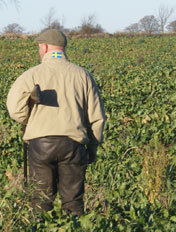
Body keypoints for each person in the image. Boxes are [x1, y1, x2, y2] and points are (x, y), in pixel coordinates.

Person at [6, 29, 106, 216]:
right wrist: (93, 147)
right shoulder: (83, 75)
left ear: (44, 47)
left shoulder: (30, 75)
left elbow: (15, 109)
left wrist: (31, 120)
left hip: (40, 146)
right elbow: (96, 117)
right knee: (73, 202)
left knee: (41, 201)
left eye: (39, 47)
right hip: (73, 145)